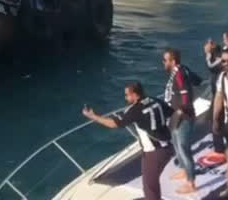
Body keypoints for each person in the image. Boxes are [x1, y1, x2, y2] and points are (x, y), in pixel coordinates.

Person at [84, 81, 173, 200]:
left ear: (134, 95)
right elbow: (171, 112)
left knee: (149, 185)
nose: (125, 98)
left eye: (127, 95)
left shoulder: (135, 110)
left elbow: (113, 123)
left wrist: (93, 117)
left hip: (154, 152)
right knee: (152, 182)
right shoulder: (155, 100)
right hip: (168, 146)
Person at [163, 48, 197, 194]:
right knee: (177, 146)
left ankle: (191, 182)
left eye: (165, 60)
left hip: (182, 117)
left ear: (173, 61)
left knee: (183, 149)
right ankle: (184, 170)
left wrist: (180, 111)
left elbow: (185, 94)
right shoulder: (182, 70)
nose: (163, 63)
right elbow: (197, 80)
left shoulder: (179, 74)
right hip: (174, 115)